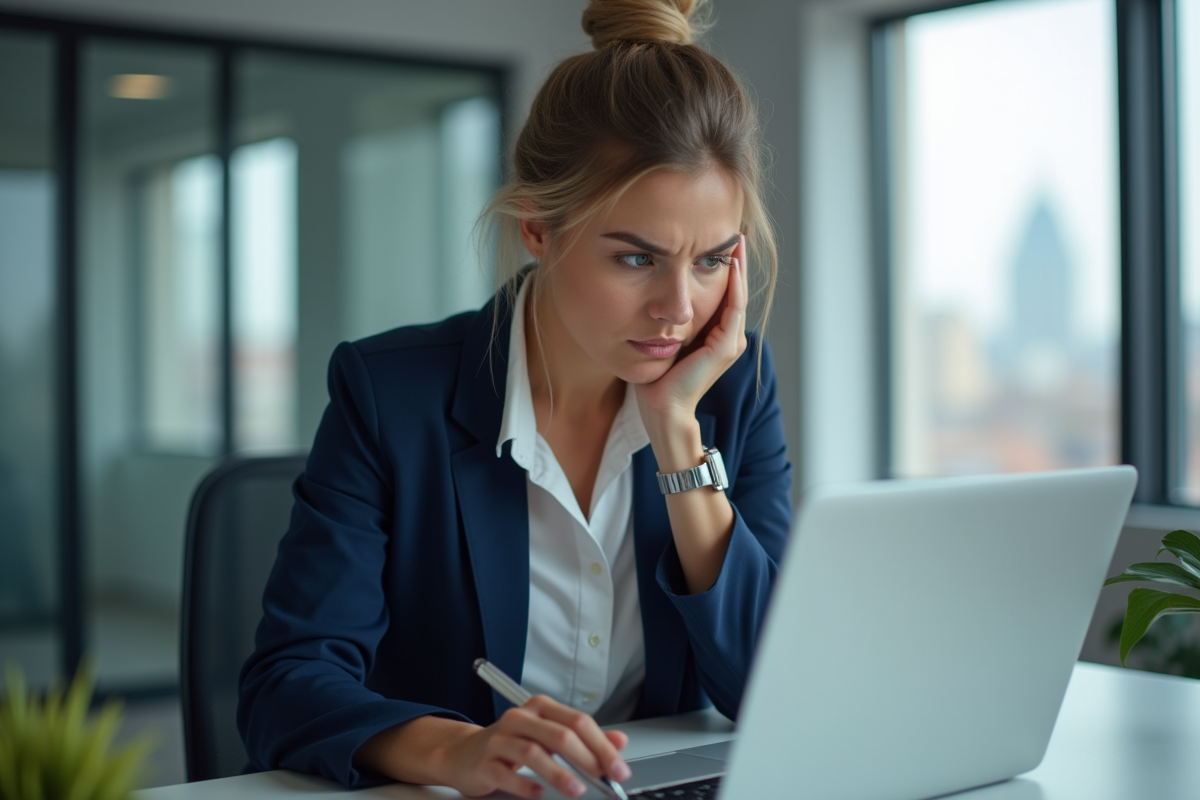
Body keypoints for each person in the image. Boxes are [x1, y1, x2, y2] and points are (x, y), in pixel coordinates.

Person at [237, 0, 793, 796]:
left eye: (712, 261)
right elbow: (284, 686)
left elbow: (772, 687)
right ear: (538, 225)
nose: (679, 308)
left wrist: (677, 434)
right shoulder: (389, 395)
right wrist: (453, 752)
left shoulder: (732, 390)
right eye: (637, 259)